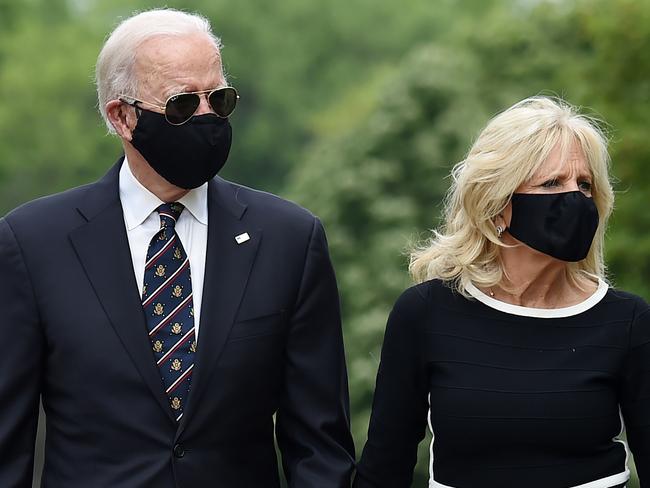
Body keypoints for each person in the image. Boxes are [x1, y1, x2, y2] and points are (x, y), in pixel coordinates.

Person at [0, 8, 355, 487]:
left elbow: (320, 445)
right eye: (183, 105)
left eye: (219, 99)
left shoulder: (289, 239)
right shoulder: (33, 243)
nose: (207, 117)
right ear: (122, 117)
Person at [353, 96, 649, 488]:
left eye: (585, 185)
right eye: (552, 183)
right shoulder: (425, 313)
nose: (576, 199)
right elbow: (383, 468)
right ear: (498, 206)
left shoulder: (627, 320)